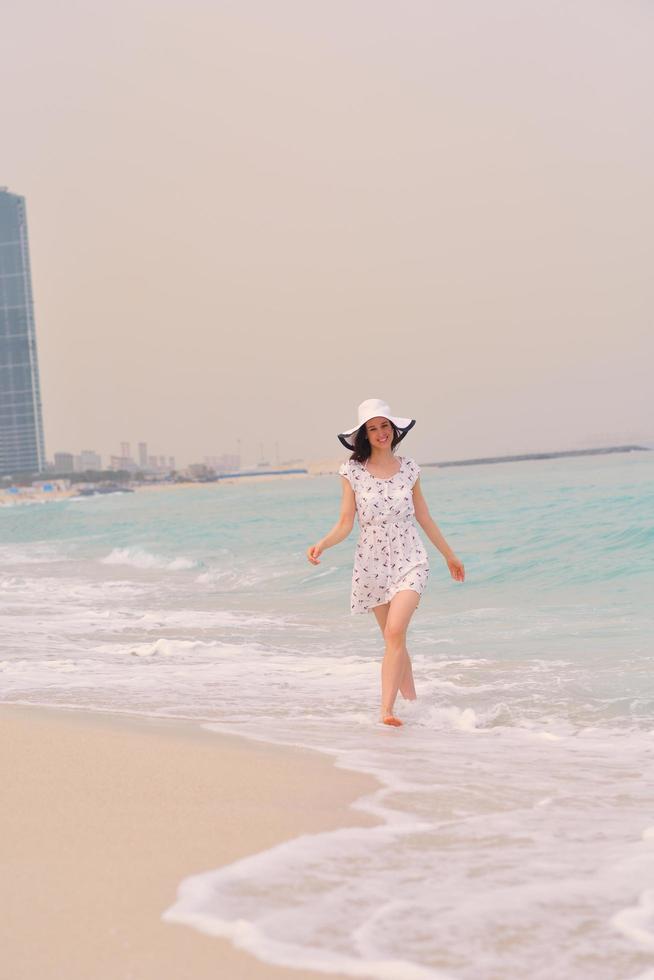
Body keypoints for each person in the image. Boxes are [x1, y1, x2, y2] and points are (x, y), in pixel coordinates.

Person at [307, 398, 465, 727]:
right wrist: (323, 543)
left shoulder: (410, 469)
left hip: (410, 558)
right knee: (394, 640)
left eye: (385, 426)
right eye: (373, 428)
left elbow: (424, 516)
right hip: (371, 563)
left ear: (394, 430)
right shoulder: (352, 471)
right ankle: (413, 705)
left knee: (395, 631)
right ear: (365, 434)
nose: (381, 433)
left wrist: (449, 555)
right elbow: (346, 522)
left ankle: (386, 711)